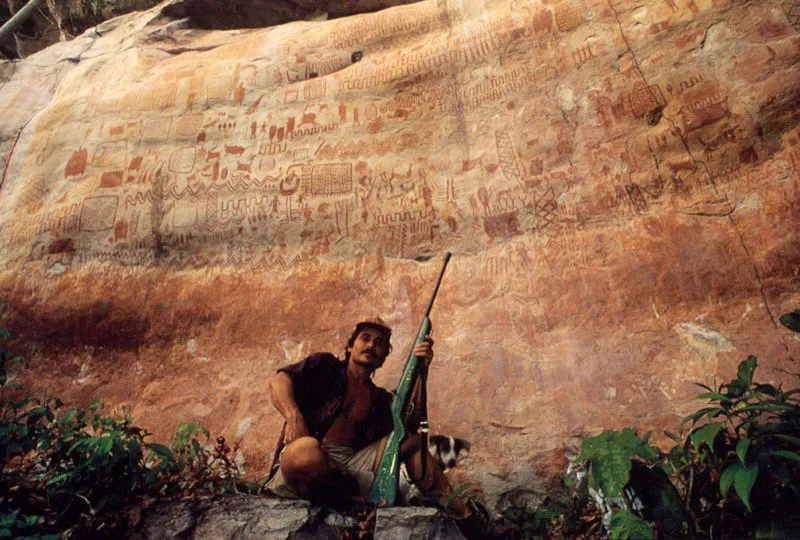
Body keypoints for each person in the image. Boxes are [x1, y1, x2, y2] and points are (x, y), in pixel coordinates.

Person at [264, 317, 472, 519]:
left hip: (351, 468)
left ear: (382, 358)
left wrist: (420, 370)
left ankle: (464, 514)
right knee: (304, 453)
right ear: (349, 346)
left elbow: (409, 424)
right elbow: (279, 381)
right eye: (365, 338)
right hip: (314, 454)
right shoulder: (324, 366)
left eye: (379, 343)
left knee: (414, 442)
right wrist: (294, 416)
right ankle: (349, 501)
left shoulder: (380, 399)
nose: (371, 345)